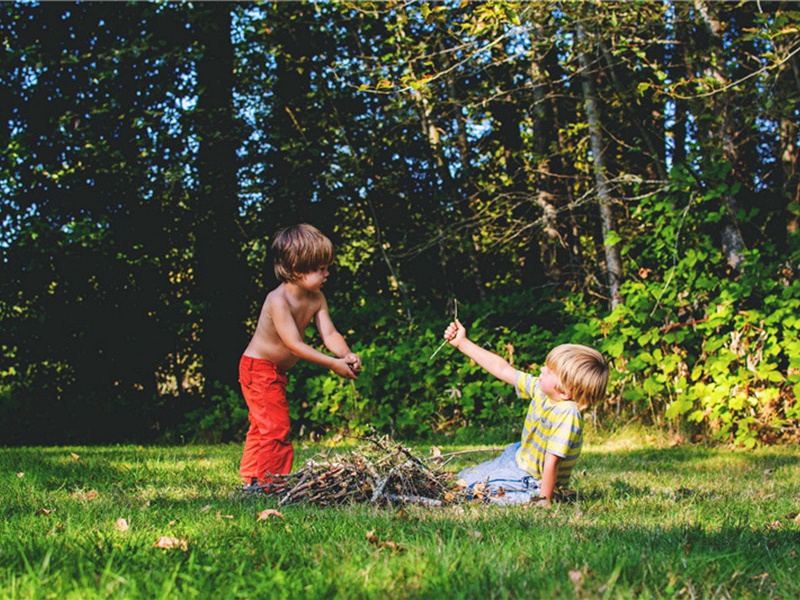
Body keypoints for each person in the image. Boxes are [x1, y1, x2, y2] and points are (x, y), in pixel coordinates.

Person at [239, 224, 361, 492]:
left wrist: (345, 354)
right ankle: (270, 485)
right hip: (257, 368)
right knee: (275, 426)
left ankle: (252, 479)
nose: (327, 273)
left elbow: (329, 333)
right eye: (320, 268)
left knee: (263, 425)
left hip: (273, 371)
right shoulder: (277, 300)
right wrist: (332, 364)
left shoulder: (316, 297)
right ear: (296, 269)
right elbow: (294, 345)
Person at [442, 319, 608, 506]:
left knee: (478, 493)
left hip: (533, 478)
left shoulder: (567, 414)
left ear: (564, 391)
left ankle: (529, 494)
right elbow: (503, 369)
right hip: (518, 458)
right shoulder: (542, 390)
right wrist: (462, 343)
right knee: (465, 478)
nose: (542, 369)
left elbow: (551, 461)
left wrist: (545, 500)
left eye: (550, 371)